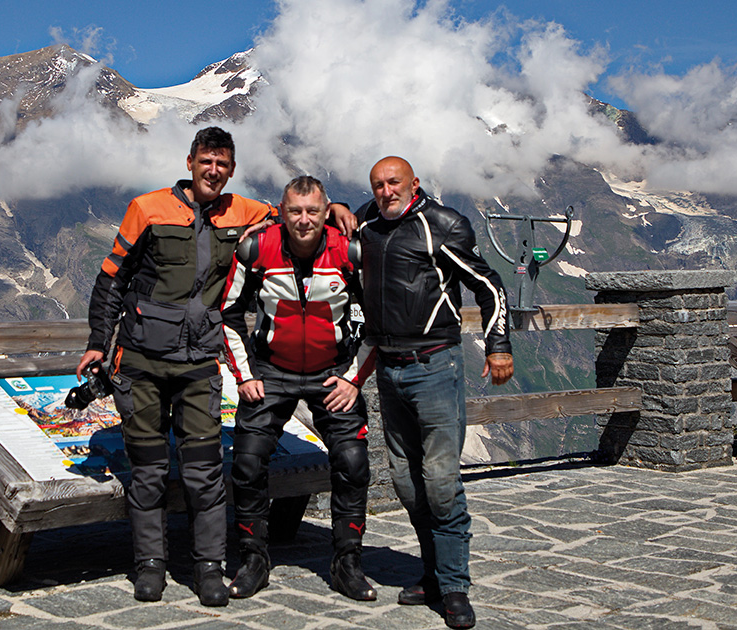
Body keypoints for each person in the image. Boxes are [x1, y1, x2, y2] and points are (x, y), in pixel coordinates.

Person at [78, 128, 355, 606]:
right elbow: (112, 280)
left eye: (222, 164)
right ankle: (150, 566)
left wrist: (336, 210)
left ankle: (209, 569)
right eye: (206, 161)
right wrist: (98, 344)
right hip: (141, 361)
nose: (213, 170)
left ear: (231, 169)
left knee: (205, 472)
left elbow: (296, 213)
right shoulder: (148, 209)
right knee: (148, 470)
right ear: (190, 162)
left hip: (199, 363)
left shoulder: (245, 211)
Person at [356, 156, 513, 630]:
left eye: (394, 183)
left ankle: (454, 587)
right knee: (406, 481)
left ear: (414, 183)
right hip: (389, 367)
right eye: (379, 185)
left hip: (435, 367)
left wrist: (498, 346)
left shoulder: (442, 225)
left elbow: (490, 286)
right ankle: (430, 571)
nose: (386, 191)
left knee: (441, 481)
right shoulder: (364, 222)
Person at [219, 175, 378, 601]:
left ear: (327, 212)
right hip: (271, 372)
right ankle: (253, 560)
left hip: (333, 372)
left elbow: (379, 322)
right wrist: (246, 375)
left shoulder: (350, 251)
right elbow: (228, 312)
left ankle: (348, 563)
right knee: (248, 464)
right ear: (282, 213)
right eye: (294, 211)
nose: (304, 220)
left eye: (312, 211)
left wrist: (352, 379)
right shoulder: (257, 248)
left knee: (352, 462)